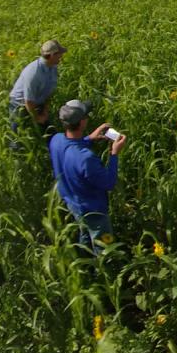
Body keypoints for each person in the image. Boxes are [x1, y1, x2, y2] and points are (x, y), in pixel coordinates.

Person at [49, 99, 128, 255]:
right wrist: (114, 154)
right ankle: (105, 270)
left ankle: (85, 266)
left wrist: (90, 138)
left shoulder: (56, 140)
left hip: (73, 205)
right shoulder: (85, 159)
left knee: (85, 235)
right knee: (104, 247)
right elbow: (109, 183)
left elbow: (70, 147)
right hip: (93, 211)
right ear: (83, 122)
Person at [8, 39, 67, 135]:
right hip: (19, 104)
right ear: (52, 55)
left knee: (49, 132)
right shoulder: (34, 73)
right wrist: (37, 118)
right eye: (59, 54)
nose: (61, 56)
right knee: (18, 136)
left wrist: (45, 111)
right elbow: (28, 101)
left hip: (38, 102)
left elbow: (49, 92)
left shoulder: (53, 67)